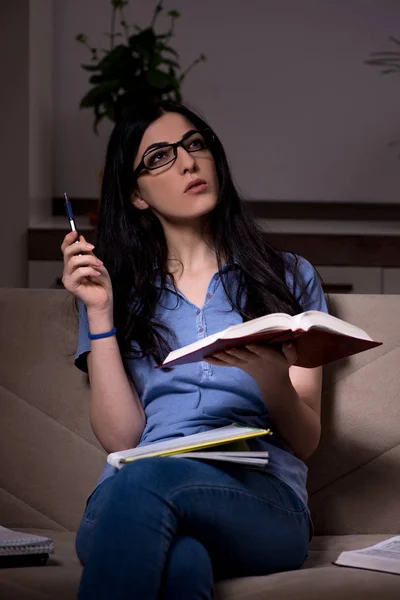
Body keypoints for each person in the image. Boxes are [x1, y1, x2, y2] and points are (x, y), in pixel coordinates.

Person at [61, 99, 328, 600]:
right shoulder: (119, 292)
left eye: (195, 144)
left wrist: (272, 379)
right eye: (160, 156)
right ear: (136, 195)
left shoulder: (288, 277)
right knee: (182, 561)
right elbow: (124, 439)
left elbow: (306, 440)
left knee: (149, 485)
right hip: (131, 493)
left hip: (261, 500)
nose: (187, 162)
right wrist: (99, 313)